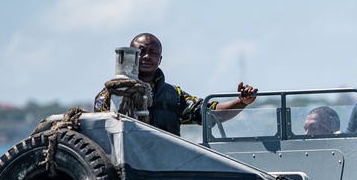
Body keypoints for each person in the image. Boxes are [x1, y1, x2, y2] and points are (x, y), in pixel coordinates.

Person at [94, 33, 258, 136]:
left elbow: (211, 113)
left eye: (153, 53)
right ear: (131, 56)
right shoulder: (111, 94)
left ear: (160, 60)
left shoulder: (173, 95)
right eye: (141, 52)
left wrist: (241, 102)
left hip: (164, 168)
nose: (146, 57)